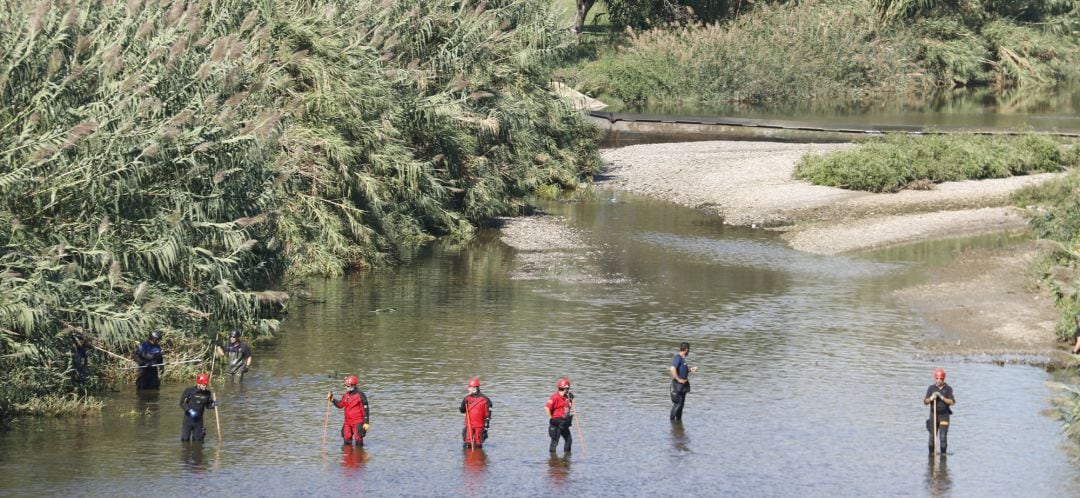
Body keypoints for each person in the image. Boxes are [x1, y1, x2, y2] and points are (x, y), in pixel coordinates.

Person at [328, 375, 369, 446]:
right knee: (346, 439)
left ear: (353, 386)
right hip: (347, 422)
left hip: (357, 422)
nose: (346, 387)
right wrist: (332, 399)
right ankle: (347, 456)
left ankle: (360, 455)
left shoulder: (360, 395)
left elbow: (366, 409)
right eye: (345, 385)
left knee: (358, 441)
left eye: (348, 386)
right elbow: (340, 405)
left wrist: (366, 422)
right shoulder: (346, 395)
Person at [924, 368, 955, 454]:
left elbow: (952, 402)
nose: (938, 380)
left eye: (940, 379)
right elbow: (925, 402)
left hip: (944, 416)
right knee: (932, 438)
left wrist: (941, 397)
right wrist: (931, 398)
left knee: (943, 437)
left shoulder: (948, 389)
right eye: (937, 378)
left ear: (943, 379)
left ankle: (943, 457)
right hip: (933, 415)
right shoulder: (931, 388)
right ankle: (931, 457)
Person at [179, 373, 217, 442]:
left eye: (206, 385)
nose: (205, 387)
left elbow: (208, 406)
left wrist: (213, 405)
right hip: (188, 420)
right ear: (198, 383)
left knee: (198, 442)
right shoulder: (189, 391)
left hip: (199, 421)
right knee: (185, 440)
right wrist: (190, 411)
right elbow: (182, 403)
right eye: (203, 385)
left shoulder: (207, 393)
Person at [459, 377, 493, 449]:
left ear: (474, 388)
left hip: (480, 426)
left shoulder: (486, 400)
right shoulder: (467, 399)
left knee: (478, 443)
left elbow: (488, 416)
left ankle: (478, 458)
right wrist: (463, 405)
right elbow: (462, 410)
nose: (468, 389)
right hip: (469, 425)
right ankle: (469, 458)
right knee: (468, 443)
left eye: (469, 387)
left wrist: (486, 428)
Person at [669, 342, 698, 421]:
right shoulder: (678, 358)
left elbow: (682, 370)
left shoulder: (682, 359)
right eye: (688, 350)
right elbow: (672, 368)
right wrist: (678, 379)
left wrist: (690, 370)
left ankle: (678, 423)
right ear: (686, 349)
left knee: (681, 405)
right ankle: (672, 423)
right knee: (677, 404)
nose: (688, 352)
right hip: (678, 385)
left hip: (683, 386)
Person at [544, 377, 574, 453]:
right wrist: (551, 418)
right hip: (556, 422)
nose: (568, 390)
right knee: (554, 442)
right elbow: (546, 408)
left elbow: (568, 408)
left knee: (569, 440)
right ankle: (553, 460)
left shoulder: (566, 398)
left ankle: (566, 460)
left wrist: (571, 400)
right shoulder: (555, 397)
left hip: (564, 423)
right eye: (568, 388)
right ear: (566, 388)